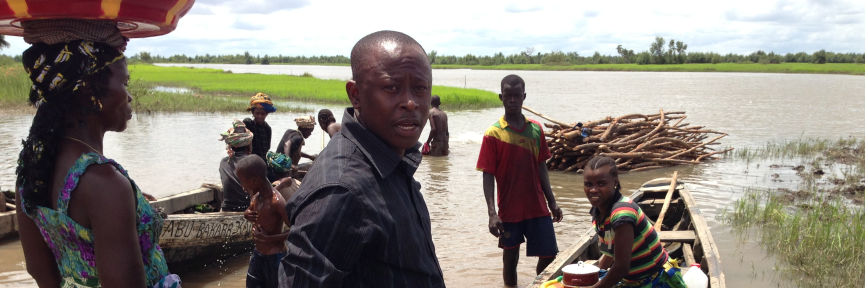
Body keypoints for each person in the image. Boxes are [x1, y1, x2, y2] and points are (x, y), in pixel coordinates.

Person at [14, 20, 179, 288]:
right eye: (124, 82)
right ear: (89, 90)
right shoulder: (105, 184)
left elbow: (40, 269)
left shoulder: (31, 169)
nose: (129, 96)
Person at [279, 30, 445, 288]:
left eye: (420, 88)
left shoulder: (393, 161)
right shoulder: (341, 190)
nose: (411, 103)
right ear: (355, 95)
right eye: (392, 87)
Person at [477, 74, 563, 287]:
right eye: (508, 95)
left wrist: (552, 202)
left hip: (537, 207)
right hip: (509, 210)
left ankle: (539, 285)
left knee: (549, 255)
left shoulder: (536, 129)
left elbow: (541, 167)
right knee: (510, 259)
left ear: (524, 96)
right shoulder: (493, 133)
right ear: (501, 97)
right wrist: (492, 213)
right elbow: (488, 174)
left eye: (517, 95)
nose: (513, 100)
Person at [583, 156, 686, 288]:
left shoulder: (622, 214)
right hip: (631, 281)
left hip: (656, 280)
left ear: (614, 182)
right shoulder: (599, 212)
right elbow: (611, 251)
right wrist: (596, 274)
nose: (593, 189)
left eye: (601, 184)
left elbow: (621, 268)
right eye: (588, 184)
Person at [236, 155, 291, 288]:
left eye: (243, 182)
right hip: (257, 257)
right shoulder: (255, 196)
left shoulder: (277, 202)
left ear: (254, 180)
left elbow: (296, 230)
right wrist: (246, 214)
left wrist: (269, 238)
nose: (242, 186)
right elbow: (250, 209)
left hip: (274, 260)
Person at [218, 119, 255, 212]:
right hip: (247, 210)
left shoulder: (223, 162)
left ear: (231, 146)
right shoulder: (253, 162)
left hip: (226, 209)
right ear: (249, 144)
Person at [243, 93, 276, 162]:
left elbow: (267, 148)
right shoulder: (248, 124)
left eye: (263, 114)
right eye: (257, 113)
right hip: (250, 161)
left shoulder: (267, 128)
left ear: (266, 114)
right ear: (253, 113)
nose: (260, 116)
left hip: (263, 161)